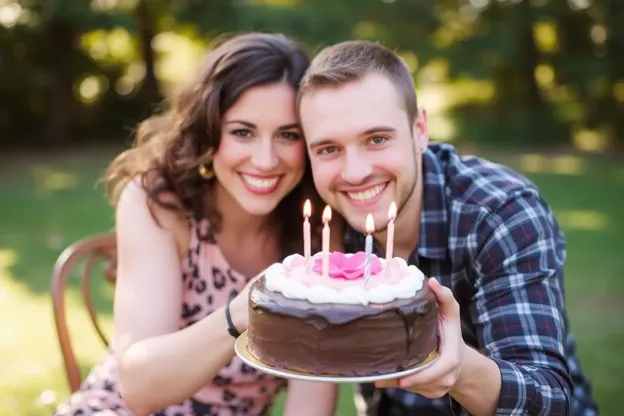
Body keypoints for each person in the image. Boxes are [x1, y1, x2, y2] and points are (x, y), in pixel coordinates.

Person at [297, 40, 599, 415]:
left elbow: (550, 399)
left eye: (377, 139)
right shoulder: (326, 222)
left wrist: (460, 369)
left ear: (420, 129)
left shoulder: (499, 213)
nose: (355, 173)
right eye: (328, 149)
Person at [54, 32, 338, 416]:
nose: (266, 160)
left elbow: (311, 397)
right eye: (242, 131)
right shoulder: (159, 202)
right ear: (208, 128)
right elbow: (138, 389)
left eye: (288, 135)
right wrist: (242, 314)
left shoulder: (316, 227)